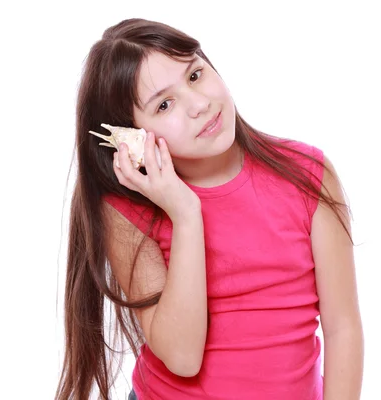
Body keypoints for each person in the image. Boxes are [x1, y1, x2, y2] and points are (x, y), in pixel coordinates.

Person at [55, 18, 364, 400]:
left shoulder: (307, 175)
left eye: (196, 75)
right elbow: (183, 357)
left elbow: (343, 327)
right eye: (165, 104)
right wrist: (185, 213)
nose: (199, 105)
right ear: (130, 136)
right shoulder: (126, 210)